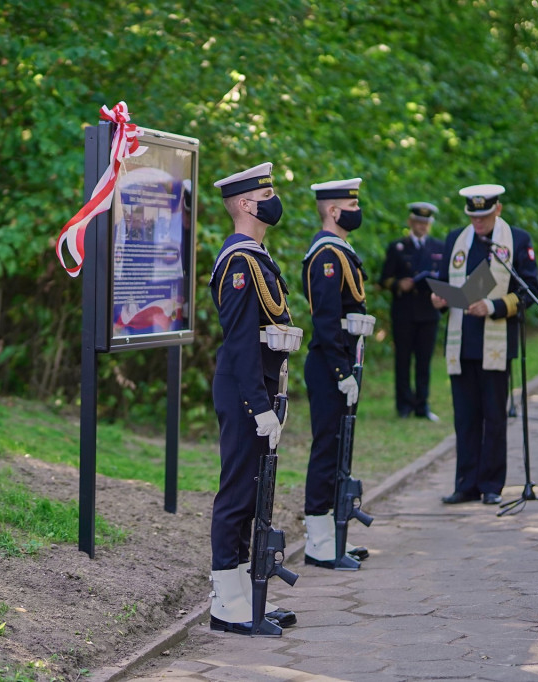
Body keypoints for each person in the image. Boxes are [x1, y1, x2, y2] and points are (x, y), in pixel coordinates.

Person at [207, 162, 297, 634]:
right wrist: (258, 405)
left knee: (253, 493)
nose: (273, 200)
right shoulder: (240, 262)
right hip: (246, 391)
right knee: (238, 493)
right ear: (245, 204)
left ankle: (246, 594)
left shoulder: (257, 256)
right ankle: (225, 602)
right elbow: (240, 340)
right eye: (267, 194)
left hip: (258, 387)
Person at [431, 184, 538, 505]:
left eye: (484, 216)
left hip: (496, 343)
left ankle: (492, 484)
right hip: (461, 341)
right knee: (465, 416)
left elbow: (529, 291)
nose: (478, 223)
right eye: (473, 217)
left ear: (498, 210)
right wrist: (437, 298)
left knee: (493, 416)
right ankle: (466, 483)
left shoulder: (517, 240)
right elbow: (442, 280)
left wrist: (493, 307)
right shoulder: (456, 239)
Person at [300, 178, 371, 569]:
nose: (354, 210)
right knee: (327, 449)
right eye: (349, 204)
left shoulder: (340, 249)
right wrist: (342, 371)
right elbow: (326, 320)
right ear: (332, 210)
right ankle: (318, 541)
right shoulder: (326, 253)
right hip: (330, 365)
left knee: (339, 449)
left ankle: (333, 535)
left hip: (341, 361)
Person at [379, 202, 446, 421]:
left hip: (429, 312)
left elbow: (444, 279)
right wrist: (399, 284)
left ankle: (422, 405)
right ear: (411, 222)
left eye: (426, 222)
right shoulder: (398, 247)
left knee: (424, 361)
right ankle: (404, 405)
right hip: (405, 312)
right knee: (403, 359)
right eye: (418, 222)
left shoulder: (439, 247)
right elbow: (384, 280)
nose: (422, 226)